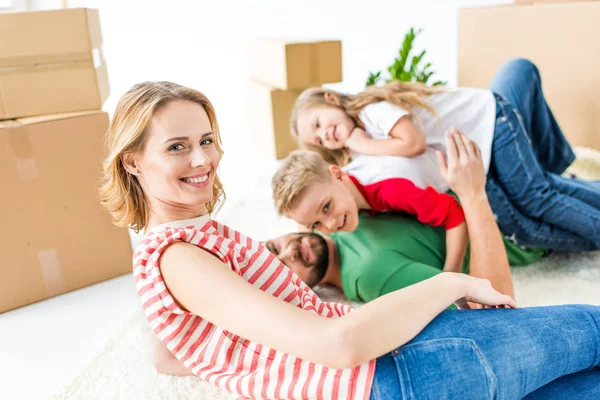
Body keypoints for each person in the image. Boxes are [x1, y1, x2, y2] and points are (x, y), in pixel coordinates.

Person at [98, 81, 600, 399]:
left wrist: (245, 365)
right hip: (391, 370)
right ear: (133, 162)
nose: (203, 160)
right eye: (177, 147)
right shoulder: (179, 257)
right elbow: (337, 345)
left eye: (206, 140)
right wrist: (453, 283)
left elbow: (167, 356)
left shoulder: (179, 242)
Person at [291, 58, 600, 251]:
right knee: (538, 195)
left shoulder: (372, 112)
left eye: (318, 123)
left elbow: (414, 144)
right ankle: (570, 178)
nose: (324, 135)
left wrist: (361, 143)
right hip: (479, 144)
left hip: (492, 121)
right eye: (317, 139)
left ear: (331, 98)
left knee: (536, 197)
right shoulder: (362, 147)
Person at [264, 211, 545, 304]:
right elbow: (481, 302)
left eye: (276, 248)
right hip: (519, 228)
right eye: (285, 268)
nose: (291, 252)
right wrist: (472, 192)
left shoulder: (332, 214)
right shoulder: (369, 275)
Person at [271, 147, 468, 273]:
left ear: (338, 175)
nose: (330, 224)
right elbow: (304, 219)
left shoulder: (391, 191)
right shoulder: (338, 187)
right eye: (316, 224)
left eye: (326, 207)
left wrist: (451, 273)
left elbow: (455, 214)